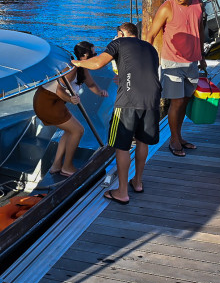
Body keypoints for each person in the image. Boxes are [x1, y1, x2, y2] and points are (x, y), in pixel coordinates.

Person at [72, 22, 161, 204]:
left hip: (128, 102)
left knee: (122, 146)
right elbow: (144, 70)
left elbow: (96, 63)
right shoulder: (150, 48)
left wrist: (75, 62)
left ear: (121, 33)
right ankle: (137, 182)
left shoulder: (119, 43)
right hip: (152, 100)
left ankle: (122, 192)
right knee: (143, 141)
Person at [143, 0, 206, 157]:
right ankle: (174, 139)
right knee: (176, 102)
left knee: (185, 101)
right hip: (171, 62)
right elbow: (150, 34)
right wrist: (148, 59)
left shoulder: (199, 4)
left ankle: (179, 136)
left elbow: (200, 30)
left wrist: (201, 55)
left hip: (192, 61)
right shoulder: (167, 7)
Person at [42, 41, 108, 176]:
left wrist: (100, 92)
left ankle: (56, 165)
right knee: (78, 130)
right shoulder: (72, 69)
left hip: (56, 104)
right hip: (47, 103)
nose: (96, 56)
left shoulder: (82, 68)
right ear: (84, 55)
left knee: (69, 131)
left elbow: (90, 84)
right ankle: (67, 167)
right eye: (93, 53)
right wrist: (70, 99)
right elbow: (58, 89)